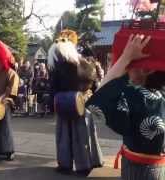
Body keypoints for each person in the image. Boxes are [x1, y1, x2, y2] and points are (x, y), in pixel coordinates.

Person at [86, 34, 165, 180]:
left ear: (147, 69)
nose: (125, 71)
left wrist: (125, 57)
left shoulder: (139, 99)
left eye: (129, 67)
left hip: (139, 172)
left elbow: (98, 100)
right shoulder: (159, 96)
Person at [48, 29, 103, 176]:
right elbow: (94, 82)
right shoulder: (86, 63)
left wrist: (53, 100)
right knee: (82, 135)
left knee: (64, 135)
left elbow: (53, 85)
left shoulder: (57, 64)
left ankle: (65, 165)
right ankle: (84, 165)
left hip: (64, 102)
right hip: (81, 101)